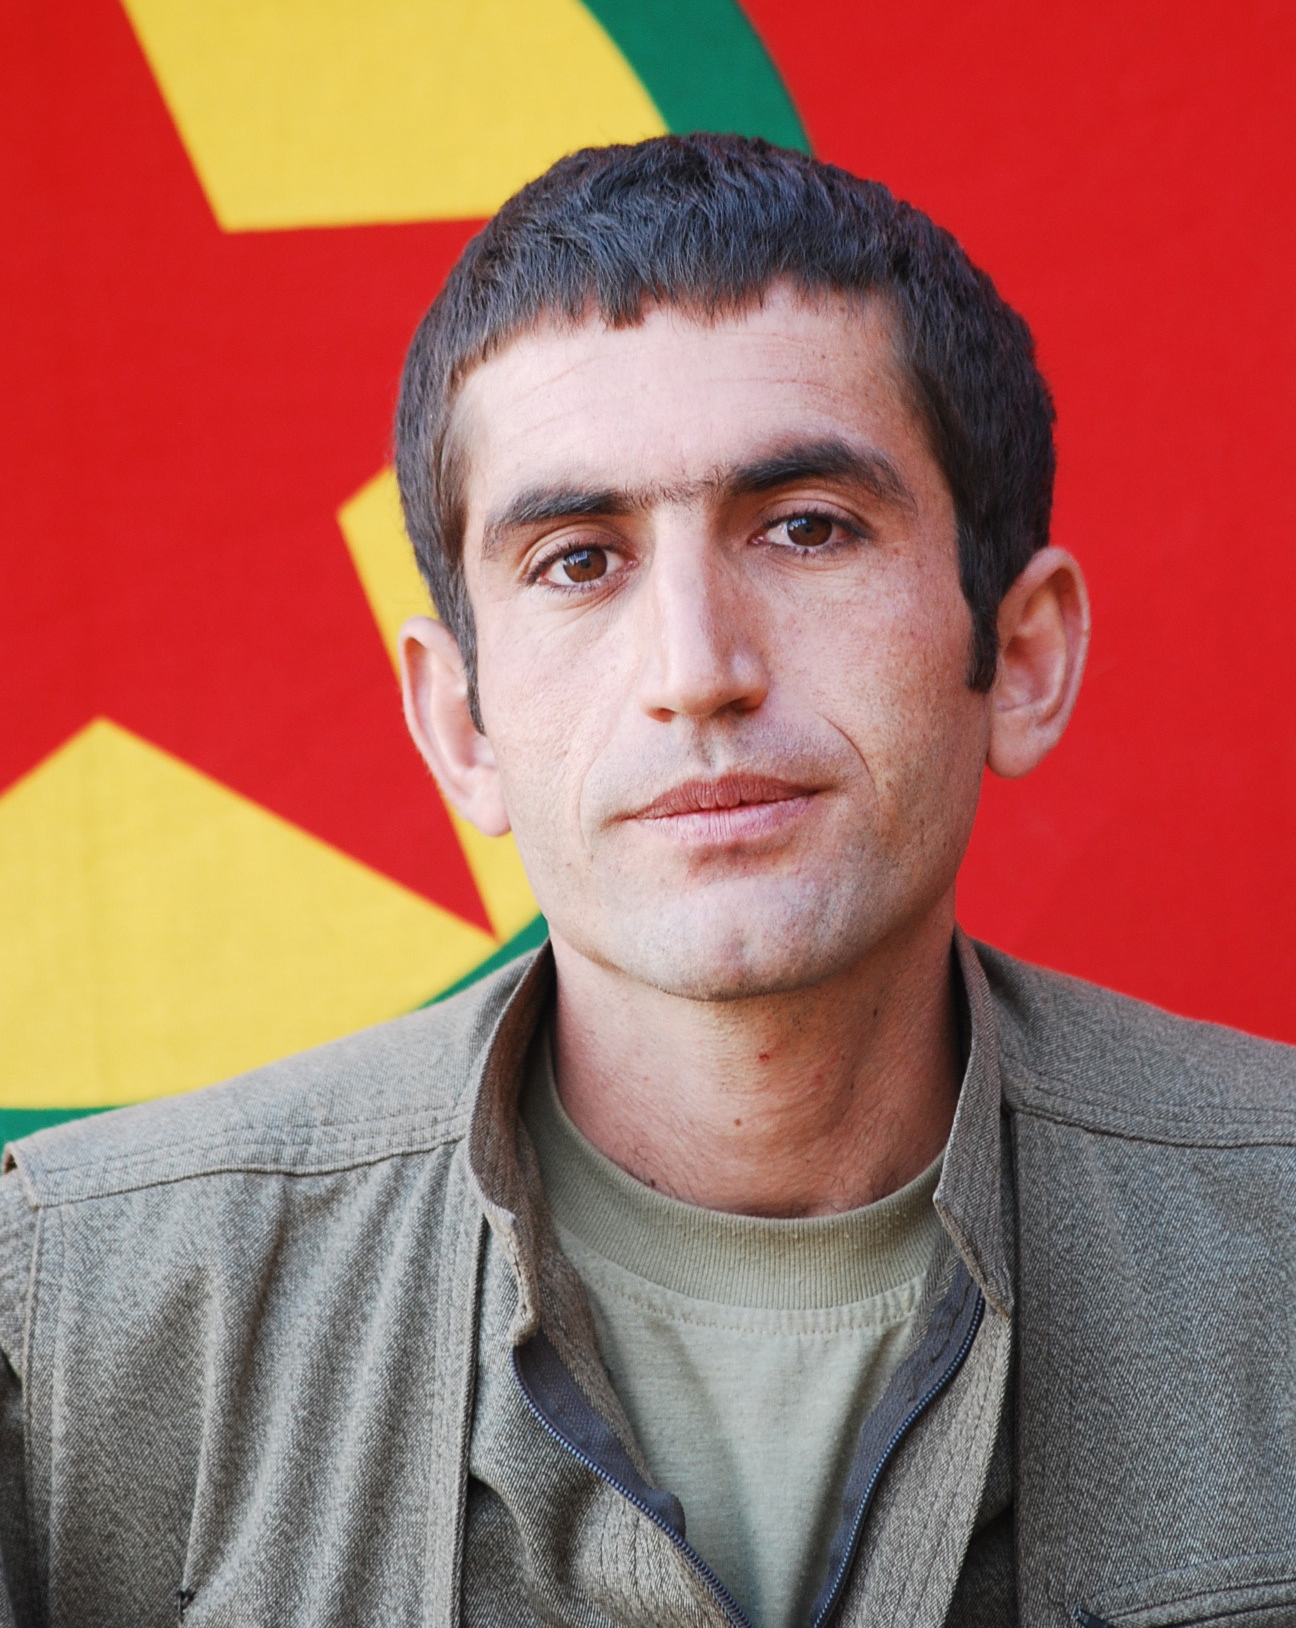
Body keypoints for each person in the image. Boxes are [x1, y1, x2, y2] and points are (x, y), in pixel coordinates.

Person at [2, 136, 1293, 1628]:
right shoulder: (84, 1318)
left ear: (1019, 654)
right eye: (577, 559)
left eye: (807, 528)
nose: (698, 669)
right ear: (461, 725)